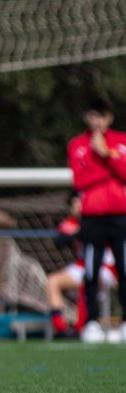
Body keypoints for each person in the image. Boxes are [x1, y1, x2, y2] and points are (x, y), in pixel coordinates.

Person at [68, 97, 126, 343]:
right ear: (86, 117)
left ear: (109, 118)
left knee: (124, 269)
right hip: (92, 218)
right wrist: (108, 160)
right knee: (90, 270)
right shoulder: (77, 145)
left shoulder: (121, 141)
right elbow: (80, 180)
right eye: (92, 116)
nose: (97, 121)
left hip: (121, 216)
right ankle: (90, 322)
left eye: (101, 116)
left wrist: (106, 154)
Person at [47, 191, 118, 339]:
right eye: (75, 203)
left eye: (81, 202)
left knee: (89, 280)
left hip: (106, 268)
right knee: (52, 281)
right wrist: (77, 232)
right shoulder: (72, 222)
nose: (78, 206)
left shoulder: (102, 220)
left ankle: (83, 327)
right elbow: (59, 241)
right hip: (81, 266)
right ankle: (62, 330)